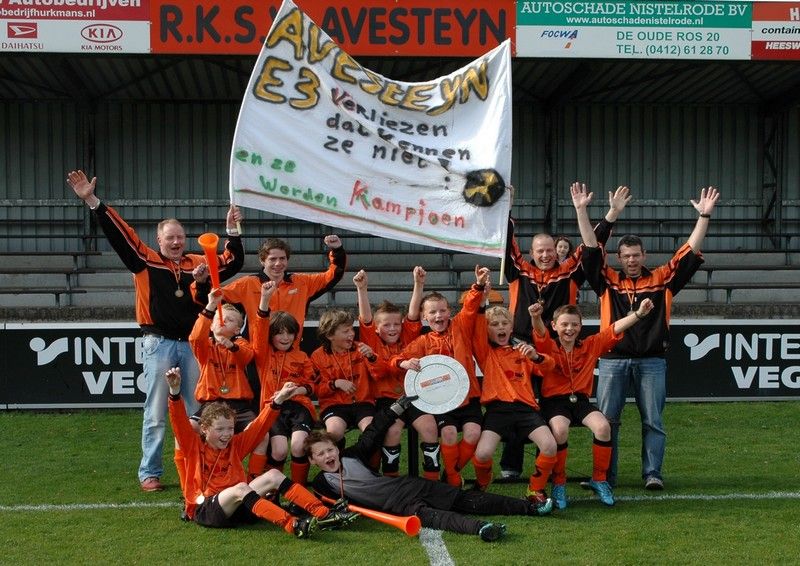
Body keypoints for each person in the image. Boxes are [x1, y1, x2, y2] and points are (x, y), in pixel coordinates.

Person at [67, 169, 245, 492]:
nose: (176, 242)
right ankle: (150, 472)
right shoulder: (145, 261)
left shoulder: (197, 263)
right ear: (159, 240)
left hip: (193, 344)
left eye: (180, 237)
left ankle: (198, 468)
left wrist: (233, 230)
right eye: (170, 238)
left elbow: (233, 261)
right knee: (156, 412)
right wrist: (94, 203)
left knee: (196, 411)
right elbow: (122, 236)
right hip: (158, 343)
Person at [578, 182, 720, 490]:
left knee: (653, 421)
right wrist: (585, 211)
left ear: (644, 255)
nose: (631, 260)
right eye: (626, 256)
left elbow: (689, 251)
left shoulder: (662, 279)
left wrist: (704, 216)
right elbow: (590, 248)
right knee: (607, 422)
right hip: (613, 360)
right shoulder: (607, 281)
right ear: (618, 258)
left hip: (652, 361)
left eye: (636, 255)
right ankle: (605, 477)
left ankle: (652, 474)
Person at [499, 186, 631, 479]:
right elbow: (506, 243)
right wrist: (507, 207)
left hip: (556, 350)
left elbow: (592, 245)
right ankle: (511, 466)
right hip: (521, 347)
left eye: (549, 250)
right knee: (519, 403)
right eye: (540, 251)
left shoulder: (570, 272)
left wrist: (610, 214)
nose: (545, 255)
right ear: (532, 253)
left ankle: (546, 466)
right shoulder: (518, 270)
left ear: (557, 250)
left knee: (549, 411)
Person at [307, 398, 552, 544]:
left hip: (409, 486)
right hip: (398, 507)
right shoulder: (321, 484)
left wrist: (394, 410)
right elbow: (316, 509)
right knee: (438, 519)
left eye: (329, 450)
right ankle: (482, 528)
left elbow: (372, 433)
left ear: (337, 449)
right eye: (320, 454)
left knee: (465, 499)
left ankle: (530, 508)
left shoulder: (352, 455)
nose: (328, 456)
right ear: (312, 460)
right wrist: (335, 510)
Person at [164, 367, 358, 537]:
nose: (227, 434)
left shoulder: (235, 444)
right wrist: (174, 393)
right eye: (220, 429)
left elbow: (260, 426)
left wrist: (278, 400)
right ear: (205, 429)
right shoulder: (193, 446)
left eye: (230, 428)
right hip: (206, 509)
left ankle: (325, 514)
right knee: (241, 487)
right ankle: (293, 524)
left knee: (273, 475)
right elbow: (179, 422)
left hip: (238, 505)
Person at [529, 298, 654, 509]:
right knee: (560, 430)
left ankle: (599, 479)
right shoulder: (548, 345)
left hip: (580, 400)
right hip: (554, 402)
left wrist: (639, 314)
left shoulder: (589, 345)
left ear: (580, 326)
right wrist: (535, 317)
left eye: (574, 324)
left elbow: (614, 328)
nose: (569, 329)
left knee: (603, 427)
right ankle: (558, 482)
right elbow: (540, 332)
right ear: (554, 326)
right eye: (564, 324)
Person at [393, 266, 490, 487]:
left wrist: (478, 285)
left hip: (469, 396)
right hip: (442, 402)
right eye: (433, 312)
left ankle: (449, 474)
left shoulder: (460, 327)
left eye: (443, 310)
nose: (439, 315)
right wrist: (404, 363)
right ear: (425, 317)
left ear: (449, 312)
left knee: (473, 434)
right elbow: (399, 358)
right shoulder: (422, 342)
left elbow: (470, 306)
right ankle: (453, 481)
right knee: (447, 433)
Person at [353, 267, 441, 480]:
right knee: (391, 432)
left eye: (396, 324)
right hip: (387, 400)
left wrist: (418, 284)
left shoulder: (408, 336)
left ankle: (433, 481)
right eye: (386, 325)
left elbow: (412, 314)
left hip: (414, 396)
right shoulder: (372, 340)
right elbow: (366, 318)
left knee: (430, 427)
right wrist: (362, 289)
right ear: (377, 328)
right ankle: (391, 480)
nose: (392, 328)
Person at [470, 304, 556, 513]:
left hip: (525, 409)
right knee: (482, 454)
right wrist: (482, 297)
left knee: (549, 445)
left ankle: (535, 489)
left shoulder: (523, 350)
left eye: (504, 323)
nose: (500, 327)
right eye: (494, 324)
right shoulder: (486, 352)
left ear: (511, 328)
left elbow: (549, 367)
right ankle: (482, 483)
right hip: (497, 410)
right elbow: (476, 324)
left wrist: (535, 356)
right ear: (487, 329)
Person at [217, 235, 346, 348]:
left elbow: (333, 276)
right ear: (262, 261)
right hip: (257, 355)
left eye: (282, 258)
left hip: (291, 354)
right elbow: (214, 299)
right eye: (272, 259)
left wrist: (337, 251)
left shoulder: (302, 283)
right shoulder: (246, 284)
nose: (278, 263)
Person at [248, 282, 318, 485]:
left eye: (290, 333)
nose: (285, 337)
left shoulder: (302, 356)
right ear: (271, 336)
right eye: (279, 333)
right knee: (279, 451)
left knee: (298, 446)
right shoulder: (264, 355)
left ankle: (299, 489)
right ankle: (272, 487)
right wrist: (264, 299)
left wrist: (297, 390)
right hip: (273, 408)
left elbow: (312, 384)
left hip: (299, 407)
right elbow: (259, 329)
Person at [189, 288, 255, 432]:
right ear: (211, 326)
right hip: (211, 404)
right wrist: (211, 305)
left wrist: (232, 346)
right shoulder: (205, 346)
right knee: (189, 427)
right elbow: (195, 338)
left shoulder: (241, 344)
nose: (224, 320)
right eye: (219, 318)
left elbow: (247, 356)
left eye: (230, 320)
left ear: (237, 330)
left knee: (259, 432)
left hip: (239, 405)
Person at [311, 308, 378, 446]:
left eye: (352, 329)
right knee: (334, 433)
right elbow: (316, 389)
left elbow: (379, 374)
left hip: (363, 402)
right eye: (346, 331)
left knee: (372, 431)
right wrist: (335, 384)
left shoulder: (361, 349)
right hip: (333, 405)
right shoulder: (317, 356)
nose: (352, 334)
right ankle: (339, 459)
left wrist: (372, 357)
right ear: (330, 335)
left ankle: (361, 459)